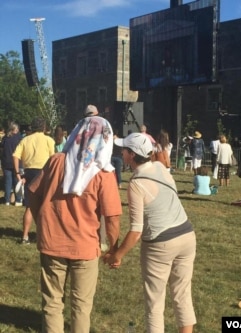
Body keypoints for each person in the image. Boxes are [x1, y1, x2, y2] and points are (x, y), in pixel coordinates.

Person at [28, 107, 121, 333]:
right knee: (81, 305)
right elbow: (113, 217)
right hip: (85, 247)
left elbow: (32, 192)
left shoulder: (56, 162)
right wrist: (113, 247)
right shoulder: (104, 172)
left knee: (52, 302)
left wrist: (41, 221)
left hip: (52, 243)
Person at [104, 132, 196, 333]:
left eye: (124, 149)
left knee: (154, 302)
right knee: (182, 294)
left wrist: (116, 256)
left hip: (160, 244)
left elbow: (136, 230)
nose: (121, 152)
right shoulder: (160, 168)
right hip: (187, 235)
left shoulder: (136, 184)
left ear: (131, 155)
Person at [13, 117, 55, 244]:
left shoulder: (25, 139)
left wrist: (17, 173)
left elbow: (15, 156)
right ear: (44, 127)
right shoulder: (49, 140)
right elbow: (53, 159)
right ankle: (42, 235)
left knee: (30, 206)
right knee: (45, 205)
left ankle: (25, 236)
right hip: (44, 172)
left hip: (29, 173)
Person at [0, 122, 23, 206]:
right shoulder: (19, 138)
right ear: (15, 129)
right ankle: (18, 200)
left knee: (8, 182)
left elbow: (2, 150)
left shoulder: (5, 138)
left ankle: (7, 200)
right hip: (16, 162)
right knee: (17, 182)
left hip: (6, 163)